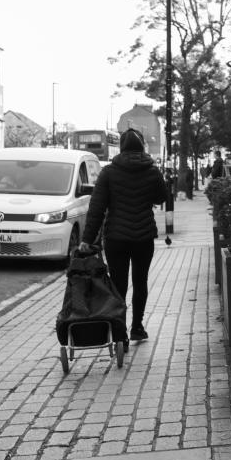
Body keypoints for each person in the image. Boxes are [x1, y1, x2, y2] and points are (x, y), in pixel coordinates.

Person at [79, 128, 167, 341]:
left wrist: (87, 240)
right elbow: (161, 197)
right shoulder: (152, 171)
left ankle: (120, 334)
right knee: (140, 281)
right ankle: (137, 327)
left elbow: (97, 209)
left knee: (118, 285)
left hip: (116, 238)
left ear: (121, 148)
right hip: (143, 237)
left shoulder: (109, 172)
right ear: (141, 147)